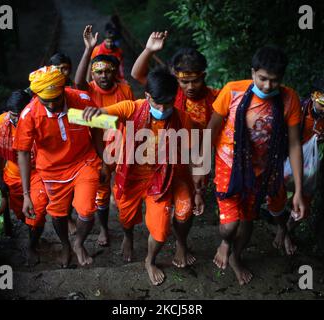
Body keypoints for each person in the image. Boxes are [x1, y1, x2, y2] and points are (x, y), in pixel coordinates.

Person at [82, 68, 205, 285]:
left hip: (161, 179)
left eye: (169, 104)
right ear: (147, 96)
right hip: (129, 177)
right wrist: (94, 114)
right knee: (126, 218)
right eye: (158, 103)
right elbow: (103, 115)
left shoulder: (182, 119)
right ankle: (128, 237)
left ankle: (150, 260)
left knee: (160, 232)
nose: (164, 109)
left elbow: (194, 153)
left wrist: (197, 189)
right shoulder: (132, 108)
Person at [207, 46, 306, 285]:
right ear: (253, 73)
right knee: (229, 225)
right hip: (227, 165)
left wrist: (299, 191)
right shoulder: (232, 92)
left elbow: (293, 145)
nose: (267, 86)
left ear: (281, 79)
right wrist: (200, 166)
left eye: (274, 81)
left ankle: (236, 257)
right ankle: (226, 242)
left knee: (248, 219)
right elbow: (212, 128)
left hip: (262, 170)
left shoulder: (289, 98)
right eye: (262, 79)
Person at [131, 31, 218, 268]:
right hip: (159, 157)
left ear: (204, 76)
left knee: (187, 208)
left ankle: (181, 243)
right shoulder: (169, 93)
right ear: (175, 78)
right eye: (184, 81)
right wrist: (149, 50)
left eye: (195, 80)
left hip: (193, 159)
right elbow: (137, 75)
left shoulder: (215, 99)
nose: (190, 87)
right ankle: (155, 245)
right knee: (160, 207)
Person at [14, 66, 108, 268]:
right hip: (52, 170)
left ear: (64, 89)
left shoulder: (80, 101)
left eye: (56, 98)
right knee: (57, 213)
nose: (51, 104)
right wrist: (27, 194)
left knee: (86, 209)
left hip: (84, 161)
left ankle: (78, 243)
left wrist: (105, 162)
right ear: (36, 95)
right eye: (44, 100)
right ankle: (66, 245)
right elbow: (22, 152)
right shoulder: (29, 115)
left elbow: (99, 128)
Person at [74, 25, 135, 246]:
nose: (103, 75)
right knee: (101, 192)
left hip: (120, 147)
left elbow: (131, 116)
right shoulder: (88, 88)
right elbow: (77, 83)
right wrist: (88, 49)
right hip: (95, 150)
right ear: (93, 73)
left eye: (108, 71)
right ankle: (104, 230)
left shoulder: (125, 89)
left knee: (123, 193)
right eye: (98, 71)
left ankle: (128, 233)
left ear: (115, 72)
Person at [277, 77, 324, 255]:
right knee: (278, 194)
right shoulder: (298, 108)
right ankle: (281, 229)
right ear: (313, 97)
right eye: (323, 103)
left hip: (312, 164)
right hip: (289, 156)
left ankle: (288, 231)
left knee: (304, 202)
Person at [0, 90, 48, 266]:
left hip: (38, 172)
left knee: (37, 212)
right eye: (13, 115)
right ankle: (33, 231)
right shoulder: (0, 123)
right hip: (13, 175)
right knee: (22, 214)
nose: (16, 119)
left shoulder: (39, 120)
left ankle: (32, 245)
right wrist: (0, 179)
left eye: (20, 115)